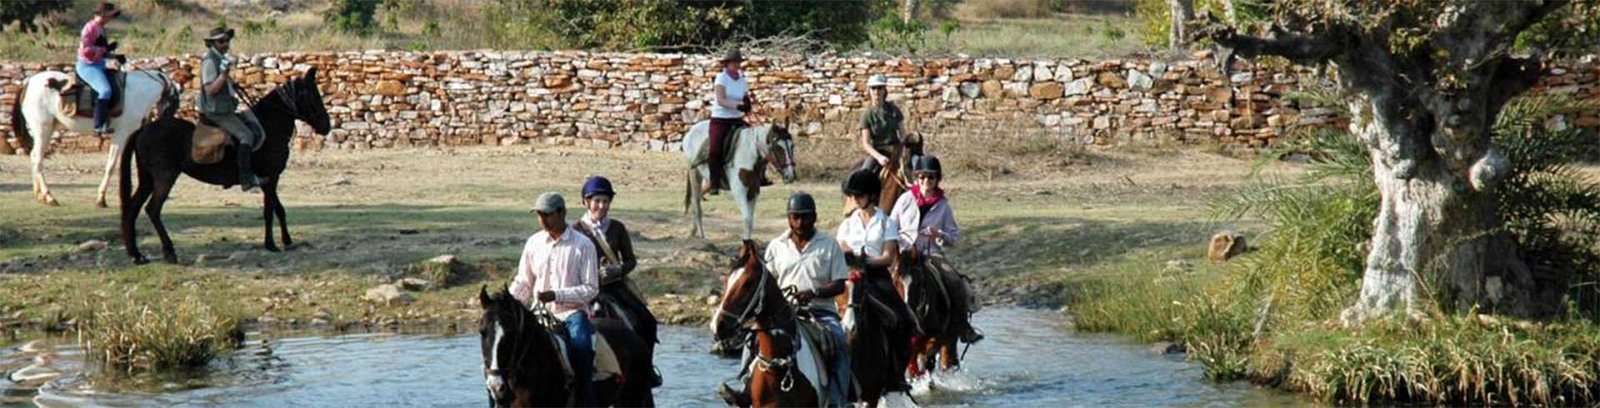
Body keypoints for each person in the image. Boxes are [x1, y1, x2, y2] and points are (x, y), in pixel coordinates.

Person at [509, 192, 600, 407]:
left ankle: (584, 399)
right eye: (539, 215)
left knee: (583, 347)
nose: (542, 220)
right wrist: (507, 305)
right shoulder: (533, 243)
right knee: (503, 357)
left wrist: (557, 294)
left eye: (547, 214)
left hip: (572, 314)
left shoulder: (583, 245)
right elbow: (523, 282)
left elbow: (591, 288)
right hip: (538, 314)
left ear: (562, 213)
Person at [571, 176, 662, 387]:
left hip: (614, 288)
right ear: (586, 202)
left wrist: (618, 270)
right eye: (597, 201)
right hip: (587, 289)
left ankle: (646, 369)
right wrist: (593, 273)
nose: (601, 206)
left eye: (605, 201)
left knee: (647, 321)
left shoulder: (618, 228)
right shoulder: (575, 231)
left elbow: (631, 260)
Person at [837, 168, 918, 394]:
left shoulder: (886, 223)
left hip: (876, 278)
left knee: (903, 321)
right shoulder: (848, 223)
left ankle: (896, 374)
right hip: (851, 276)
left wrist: (867, 262)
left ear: (871, 195)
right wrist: (850, 256)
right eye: (853, 195)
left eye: (858, 195)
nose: (854, 199)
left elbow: (888, 256)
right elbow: (841, 245)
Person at [890, 155, 983, 346]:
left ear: (937, 179)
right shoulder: (905, 200)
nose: (926, 181)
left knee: (955, 281)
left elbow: (953, 236)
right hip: (903, 251)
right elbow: (890, 226)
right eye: (922, 176)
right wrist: (898, 241)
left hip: (930, 252)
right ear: (916, 178)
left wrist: (938, 234)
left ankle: (963, 326)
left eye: (931, 177)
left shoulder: (943, 205)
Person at [198, 25, 267, 192]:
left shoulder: (221, 59)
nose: (225, 43)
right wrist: (223, 76)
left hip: (226, 108)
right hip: (215, 111)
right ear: (213, 43)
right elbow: (210, 90)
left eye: (227, 40)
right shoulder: (209, 62)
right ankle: (246, 179)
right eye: (221, 41)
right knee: (246, 135)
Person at [704, 48, 760, 196]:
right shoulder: (721, 78)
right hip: (721, 119)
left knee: (757, 142)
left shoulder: (742, 80)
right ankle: (714, 182)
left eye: (738, 62)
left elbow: (745, 96)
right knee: (715, 150)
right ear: (727, 64)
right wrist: (737, 105)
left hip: (736, 119)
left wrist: (748, 103)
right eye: (733, 62)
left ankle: (759, 176)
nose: (736, 65)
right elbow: (721, 99)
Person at [77, 2, 124, 135]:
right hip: (87, 66)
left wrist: (113, 55)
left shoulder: (101, 28)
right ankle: (98, 125)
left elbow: (100, 51)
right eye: (110, 16)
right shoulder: (89, 28)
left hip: (99, 64)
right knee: (105, 90)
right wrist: (104, 49)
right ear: (103, 14)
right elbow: (84, 50)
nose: (111, 19)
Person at [856, 74, 907, 175]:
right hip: (878, 152)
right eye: (873, 88)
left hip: (896, 149)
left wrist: (902, 151)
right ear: (869, 91)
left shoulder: (894, 110)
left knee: (917, 167)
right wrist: (879, 157)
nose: (876, 91)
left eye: (880, 88)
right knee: (863, 175)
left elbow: (903, 134)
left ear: (884, 90)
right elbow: (865, 143)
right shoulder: (867, 115)